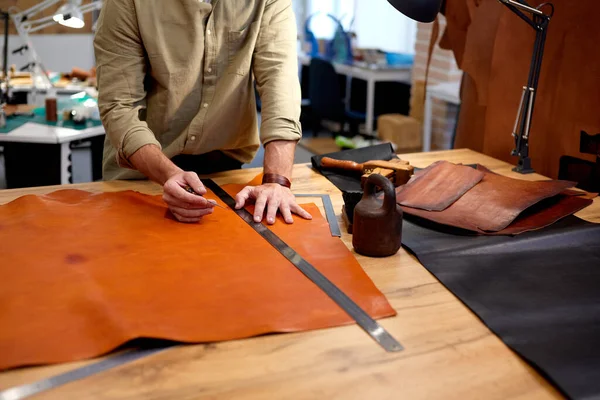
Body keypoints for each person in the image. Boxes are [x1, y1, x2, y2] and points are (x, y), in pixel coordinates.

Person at [94, 0, 311, 225]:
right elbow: (119, 106)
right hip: (143, 170)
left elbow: (279, 81)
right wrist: (167, 173)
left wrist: (277, 181)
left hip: (223, 169)